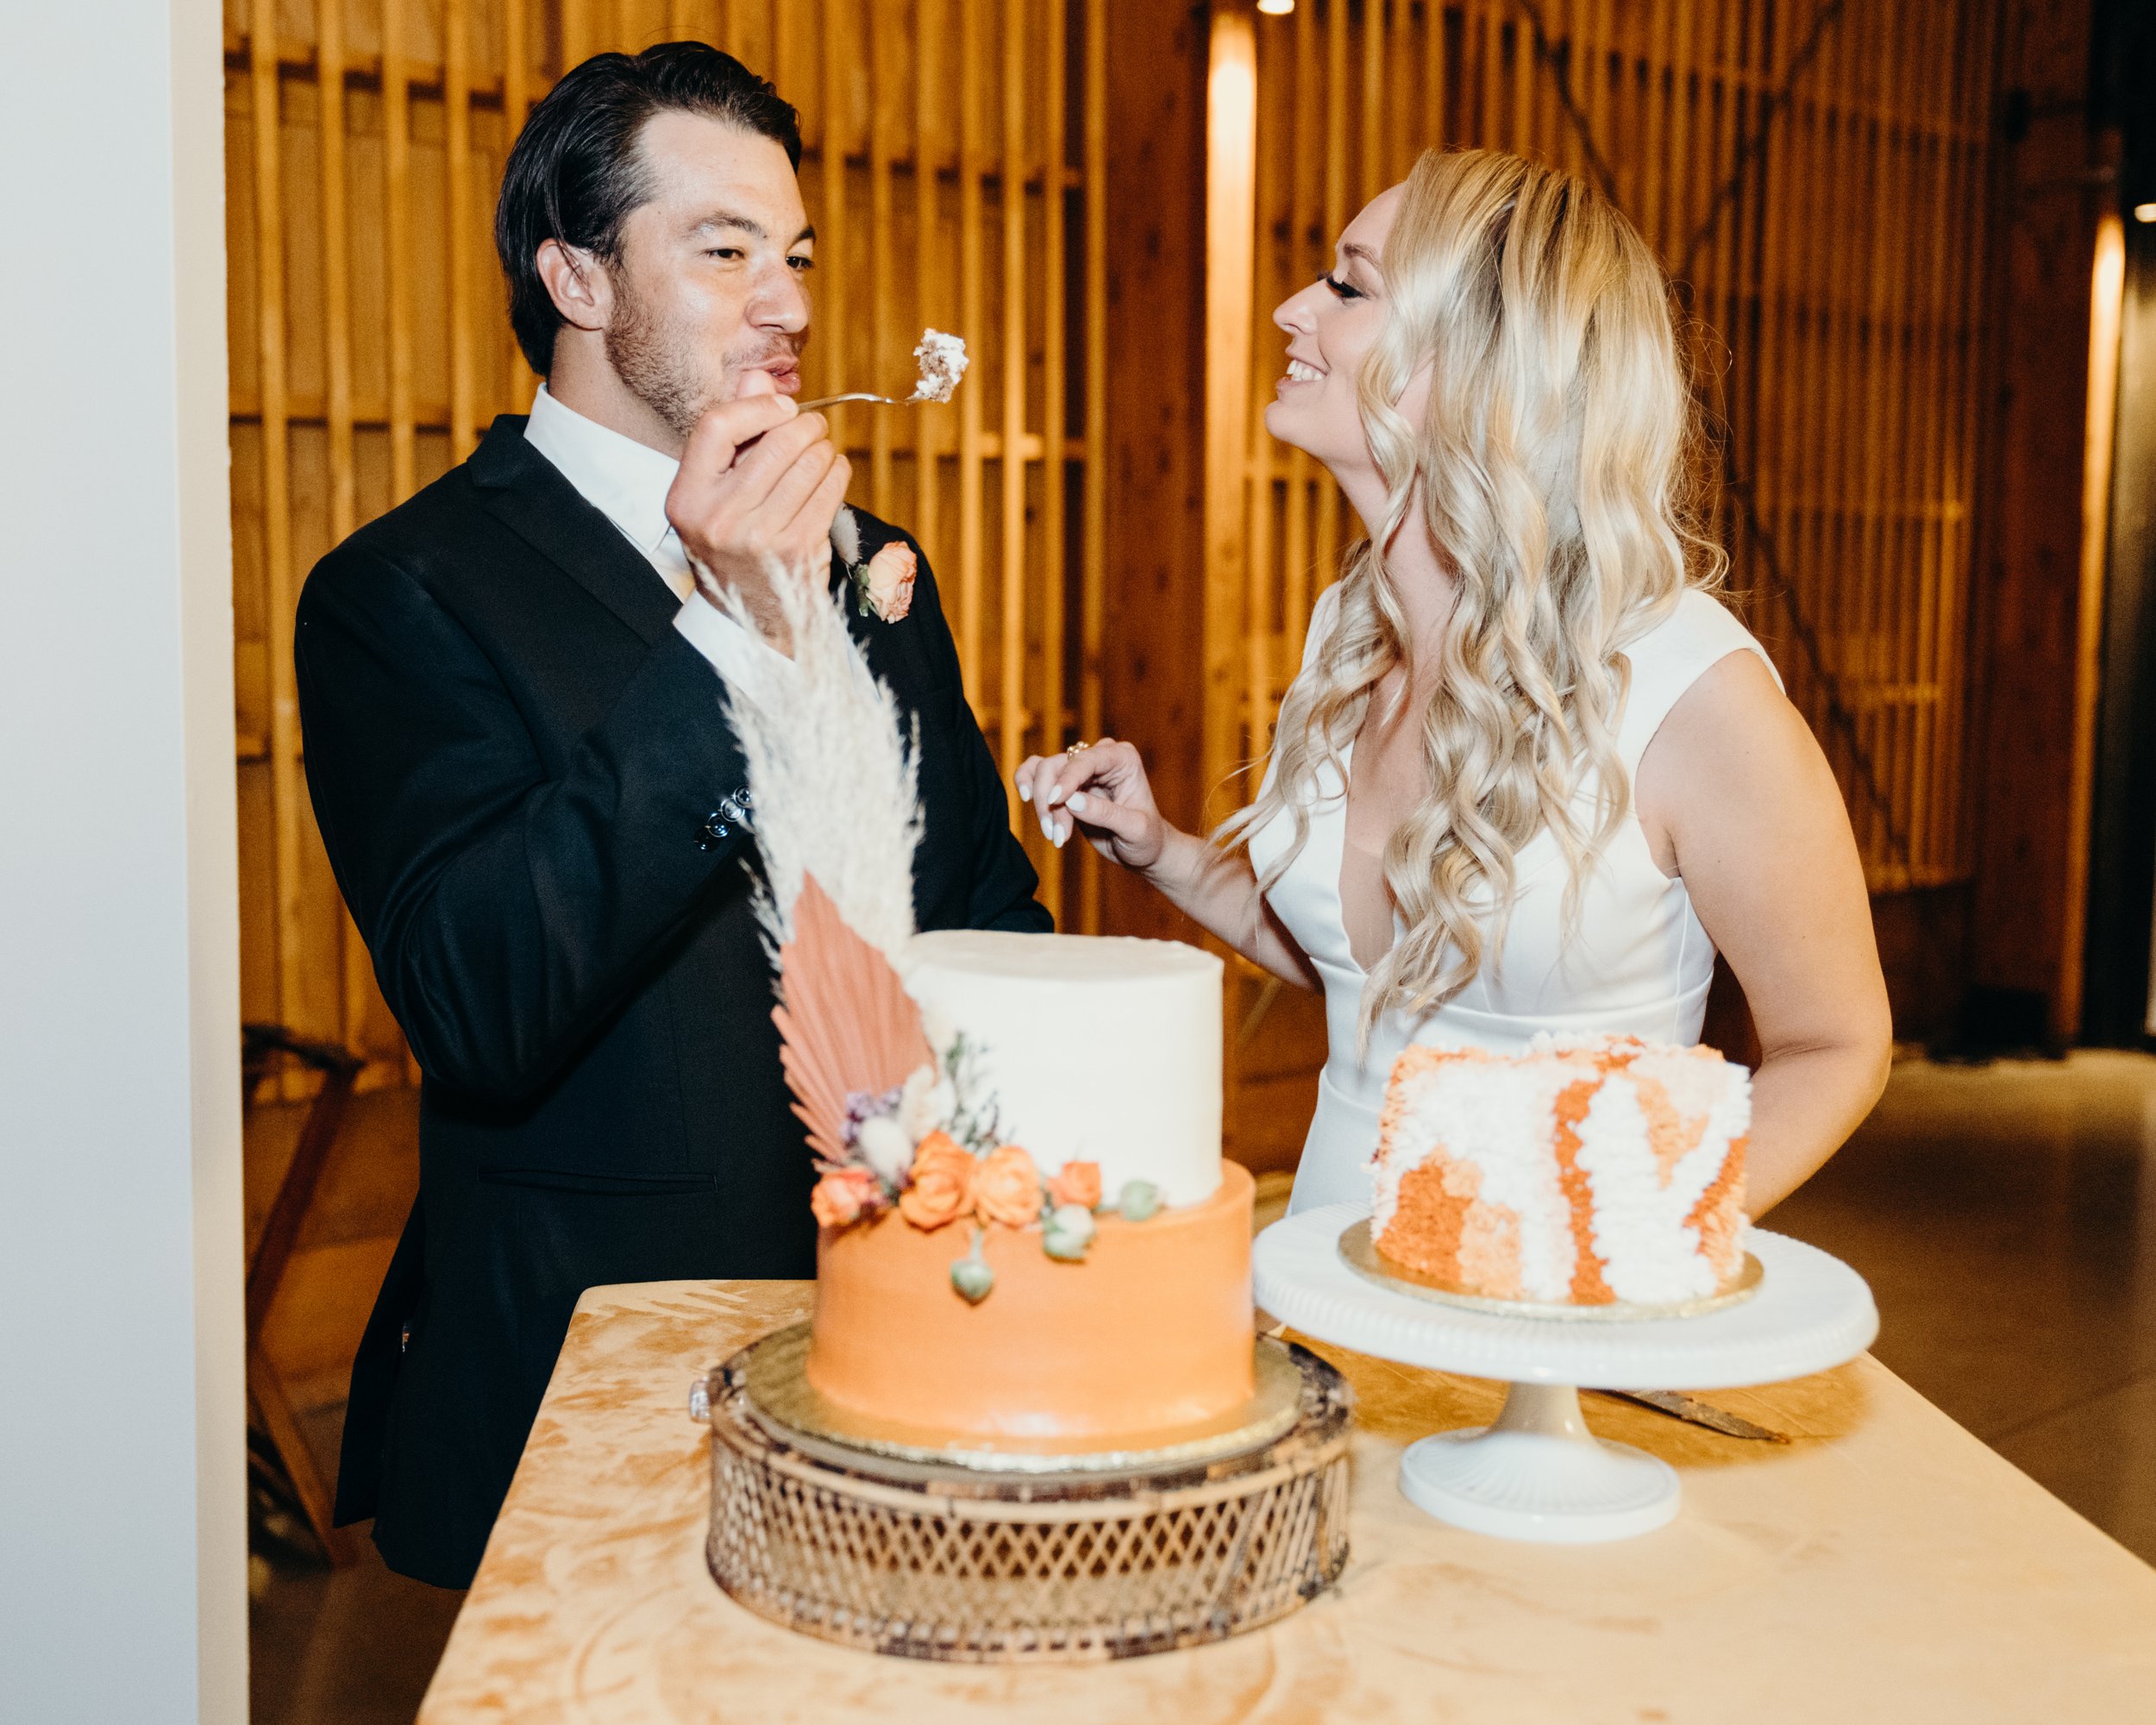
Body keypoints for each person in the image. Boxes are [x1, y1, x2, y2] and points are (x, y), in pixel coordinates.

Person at [296, 43, 1048, 1589]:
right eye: (722, 252)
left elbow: (984, 913)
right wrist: (730, 634)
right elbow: (476, 999)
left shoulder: (876, 561)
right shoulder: (406, 591)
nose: (787, 301)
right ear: (576, 280)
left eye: (797, 255)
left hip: (906, 1347)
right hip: (602, 1375)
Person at [1020, 148, 1890, 1219]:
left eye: (1348, 285)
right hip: (1318, 1291)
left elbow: (1836, 1043)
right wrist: (1165, 855)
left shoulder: (1687, 692)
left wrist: (1641, 1250)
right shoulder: (1349, 629)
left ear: (1475, 360)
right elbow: (1370, 978)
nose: (1294, 310)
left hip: (1546, 1334)